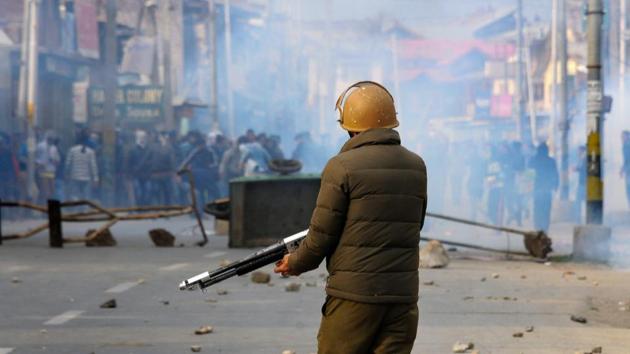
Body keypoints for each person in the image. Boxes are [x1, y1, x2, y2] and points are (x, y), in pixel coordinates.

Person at [274, 81, 427, 354]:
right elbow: (415, 226)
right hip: (402, 297)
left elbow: (322, 235)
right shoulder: (416, 166)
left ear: (350, 127)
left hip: (354, 297)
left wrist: (295, 262)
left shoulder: (341, 167)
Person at [529, 143, 559, 231]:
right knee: (546, 210)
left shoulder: (533, 160)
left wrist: (528, 188)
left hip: (536, 188)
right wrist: (556, 185)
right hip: (547, 189)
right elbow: (555, 174)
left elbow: (529, 176)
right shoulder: (551, 161)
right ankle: (545, 229)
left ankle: (538, 228)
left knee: (537, 209)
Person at [64, 131, 99, 201]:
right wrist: (96, 179)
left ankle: (76, 210)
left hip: (74, 176)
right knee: (86, 198)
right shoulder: (90, 151)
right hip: (86, 178)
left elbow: (67, 164)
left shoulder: (72, 150)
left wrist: (66, 174)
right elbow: (93, 166)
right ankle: (84, 211)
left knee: (74, 196)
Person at [35, 131, 61, 204]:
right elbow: (36, 157)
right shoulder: (40, 146)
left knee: (52, 190)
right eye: (50, 138)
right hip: (43, 170)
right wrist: (39, 164)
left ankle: (47, 204)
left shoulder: (54, 148)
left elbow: (57, 159)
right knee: (45, 190)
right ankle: (44, 206)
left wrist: (55, 161)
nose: (51, 139)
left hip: (51, 170)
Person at [621, 131, 630, 208]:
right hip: (628, 171)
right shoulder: (624, 146)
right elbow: (626, 160)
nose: (622, 138)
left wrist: (623, 169)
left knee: (628, 190)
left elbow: (627, 159)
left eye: (623, 136)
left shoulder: (627, 145)